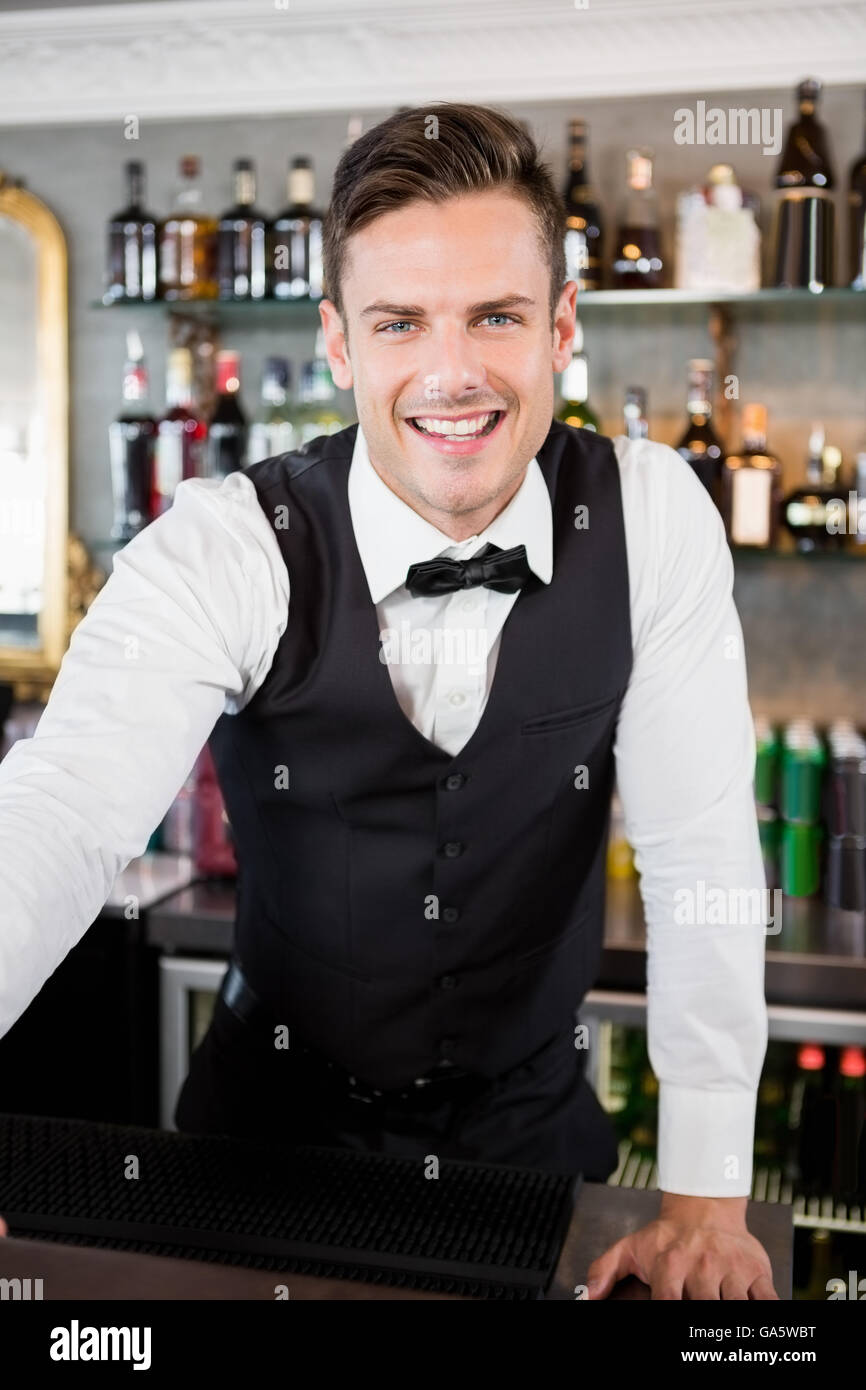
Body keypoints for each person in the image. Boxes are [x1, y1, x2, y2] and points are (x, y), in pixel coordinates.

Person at [0, 103, 776, 1299]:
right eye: (401, 322)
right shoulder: (228, 544)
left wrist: (706, 1196)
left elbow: (697, 856)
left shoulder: (651, 515)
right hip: (256, 1152)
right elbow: (54, 818)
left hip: (529, 1159)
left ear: (561, 327)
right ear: (339, 345)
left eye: (497, 318)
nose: (452, 372)